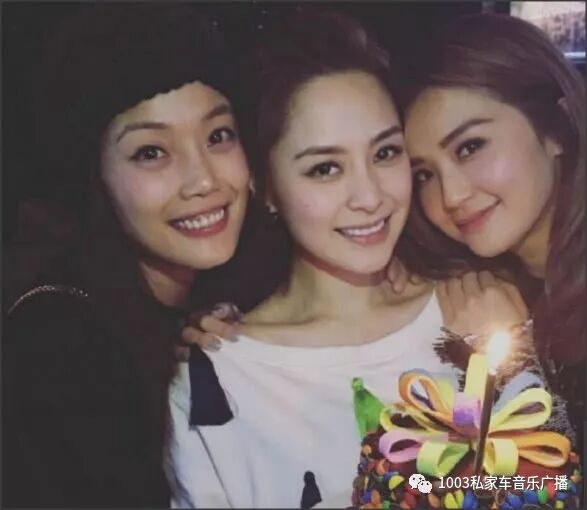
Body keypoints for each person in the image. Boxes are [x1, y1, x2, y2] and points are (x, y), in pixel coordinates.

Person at [167, 11, 540, 508]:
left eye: (385, 153)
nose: (369, 196)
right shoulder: (220, 378)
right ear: (266, 188)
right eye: (325, 168)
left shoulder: (479, 309)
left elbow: (544, 488)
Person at [2, 4, 256, 506]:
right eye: (151, 152)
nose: (204, 180)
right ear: (96, 178)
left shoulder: (239, 293)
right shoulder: (58, 351)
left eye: (218, 136)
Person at [399, 13, 585, 448]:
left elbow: (548, 480)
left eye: (470, 147)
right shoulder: (480, 286)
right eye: (424, 174)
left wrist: (507, 361)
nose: (451, 196)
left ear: (555, 131)